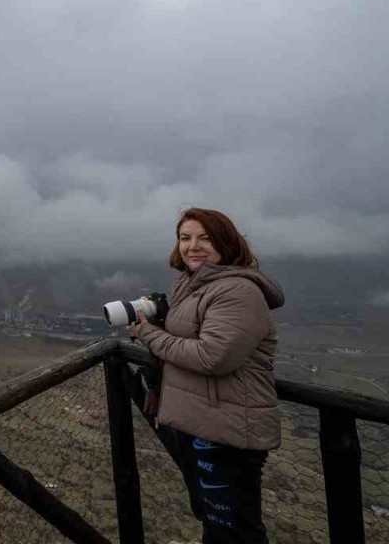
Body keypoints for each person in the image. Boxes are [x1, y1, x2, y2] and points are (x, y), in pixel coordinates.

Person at [125, 207, 285, 544]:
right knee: (213, 520)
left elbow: (212, 357)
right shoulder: (193, 283)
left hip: (226, 430)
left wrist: (147, 333)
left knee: (234, 529)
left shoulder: (237, 291)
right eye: (185, 238)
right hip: (201, 422)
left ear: (226, 243)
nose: (192, 246)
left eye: (205, 238)